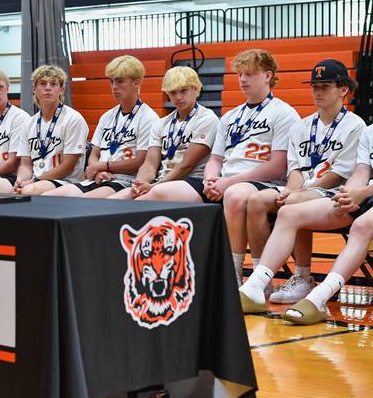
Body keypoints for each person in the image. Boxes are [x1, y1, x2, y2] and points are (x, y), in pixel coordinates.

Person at [138, 49, 299, 287]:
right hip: (224, 182)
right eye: (240, 74)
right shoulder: (231, 116)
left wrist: (227, 183)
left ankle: (242, 276)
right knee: (158, 193)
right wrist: (211, 180)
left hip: (263, 183)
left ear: (268, 76)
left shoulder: (284, 113)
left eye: (250, 74)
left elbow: (277, 167)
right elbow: (215, 159)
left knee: (234, 196)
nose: (243, 79)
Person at [239, 61, 367, 316]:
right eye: (314, 87)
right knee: (255, 201)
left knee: (292, 204)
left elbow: (339, 174)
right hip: (303, 188)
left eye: (325, 87)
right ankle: (259, 278)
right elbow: (296, 169)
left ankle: (302, 277)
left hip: (333, 190)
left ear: (343, 90)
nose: (317, 92)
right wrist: (289, 189)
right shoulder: (302, 125)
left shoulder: (355, 126)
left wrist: (297, 193)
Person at [43, 55, 158, 198]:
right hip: (100, 177)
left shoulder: (149, 117)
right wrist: (98, 170)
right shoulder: (107, 117)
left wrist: (103, 166)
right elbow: (94, 153)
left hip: (125, 180)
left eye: (120, 81)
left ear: (137, 82)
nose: (114, 87)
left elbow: (140, 161)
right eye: (112, 81)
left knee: (85, 202)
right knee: (48, 197)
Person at [109, 66, 219, 201]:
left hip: (193, 180)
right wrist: (139, 184)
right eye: (172, 92)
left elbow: (187, 165)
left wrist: (154, 186)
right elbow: (150, 163)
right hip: (160, 181)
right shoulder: (161, 123)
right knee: (113, 201)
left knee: (139, 202)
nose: (178, 97)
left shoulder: (206, 118)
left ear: (196, 89)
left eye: (183, 91)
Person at [0, 65, 88, 195]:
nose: (48, 88)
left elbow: (67, 167)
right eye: (43, 84)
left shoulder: (73, 119)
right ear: (34, 89)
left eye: (53, 84)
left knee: (29, 191)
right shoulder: (30, 123)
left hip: (65, 180)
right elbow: (25, 164)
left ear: (62, 89)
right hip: (35, 180)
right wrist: (20, 180)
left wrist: (35, 181)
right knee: (17, 189)